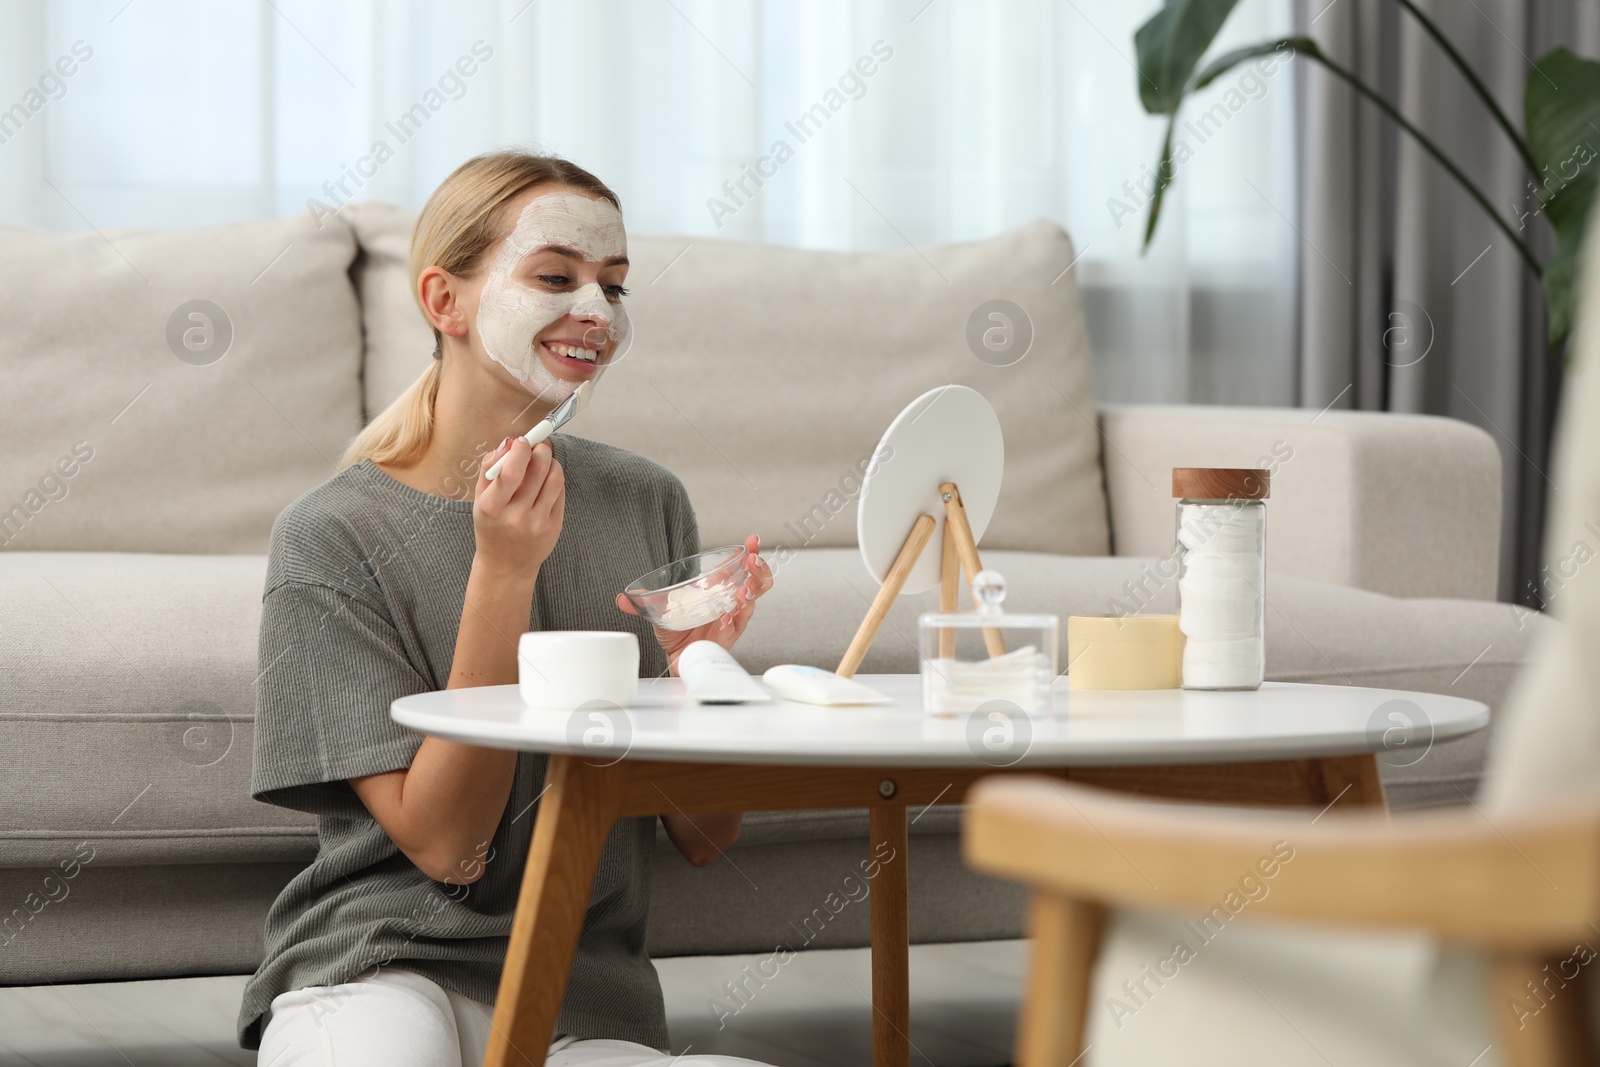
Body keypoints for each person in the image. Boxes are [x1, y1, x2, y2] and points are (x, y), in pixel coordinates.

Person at [236, 150, 775, 1066]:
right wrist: (504, 572)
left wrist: (700, 668)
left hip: (584, 997)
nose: (597, 311)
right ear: (444, 301)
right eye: (556, 277)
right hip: (379, 964)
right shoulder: (332, 535)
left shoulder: (646, 500)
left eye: (617, 286)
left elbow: (701, 836)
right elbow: (449, 847)